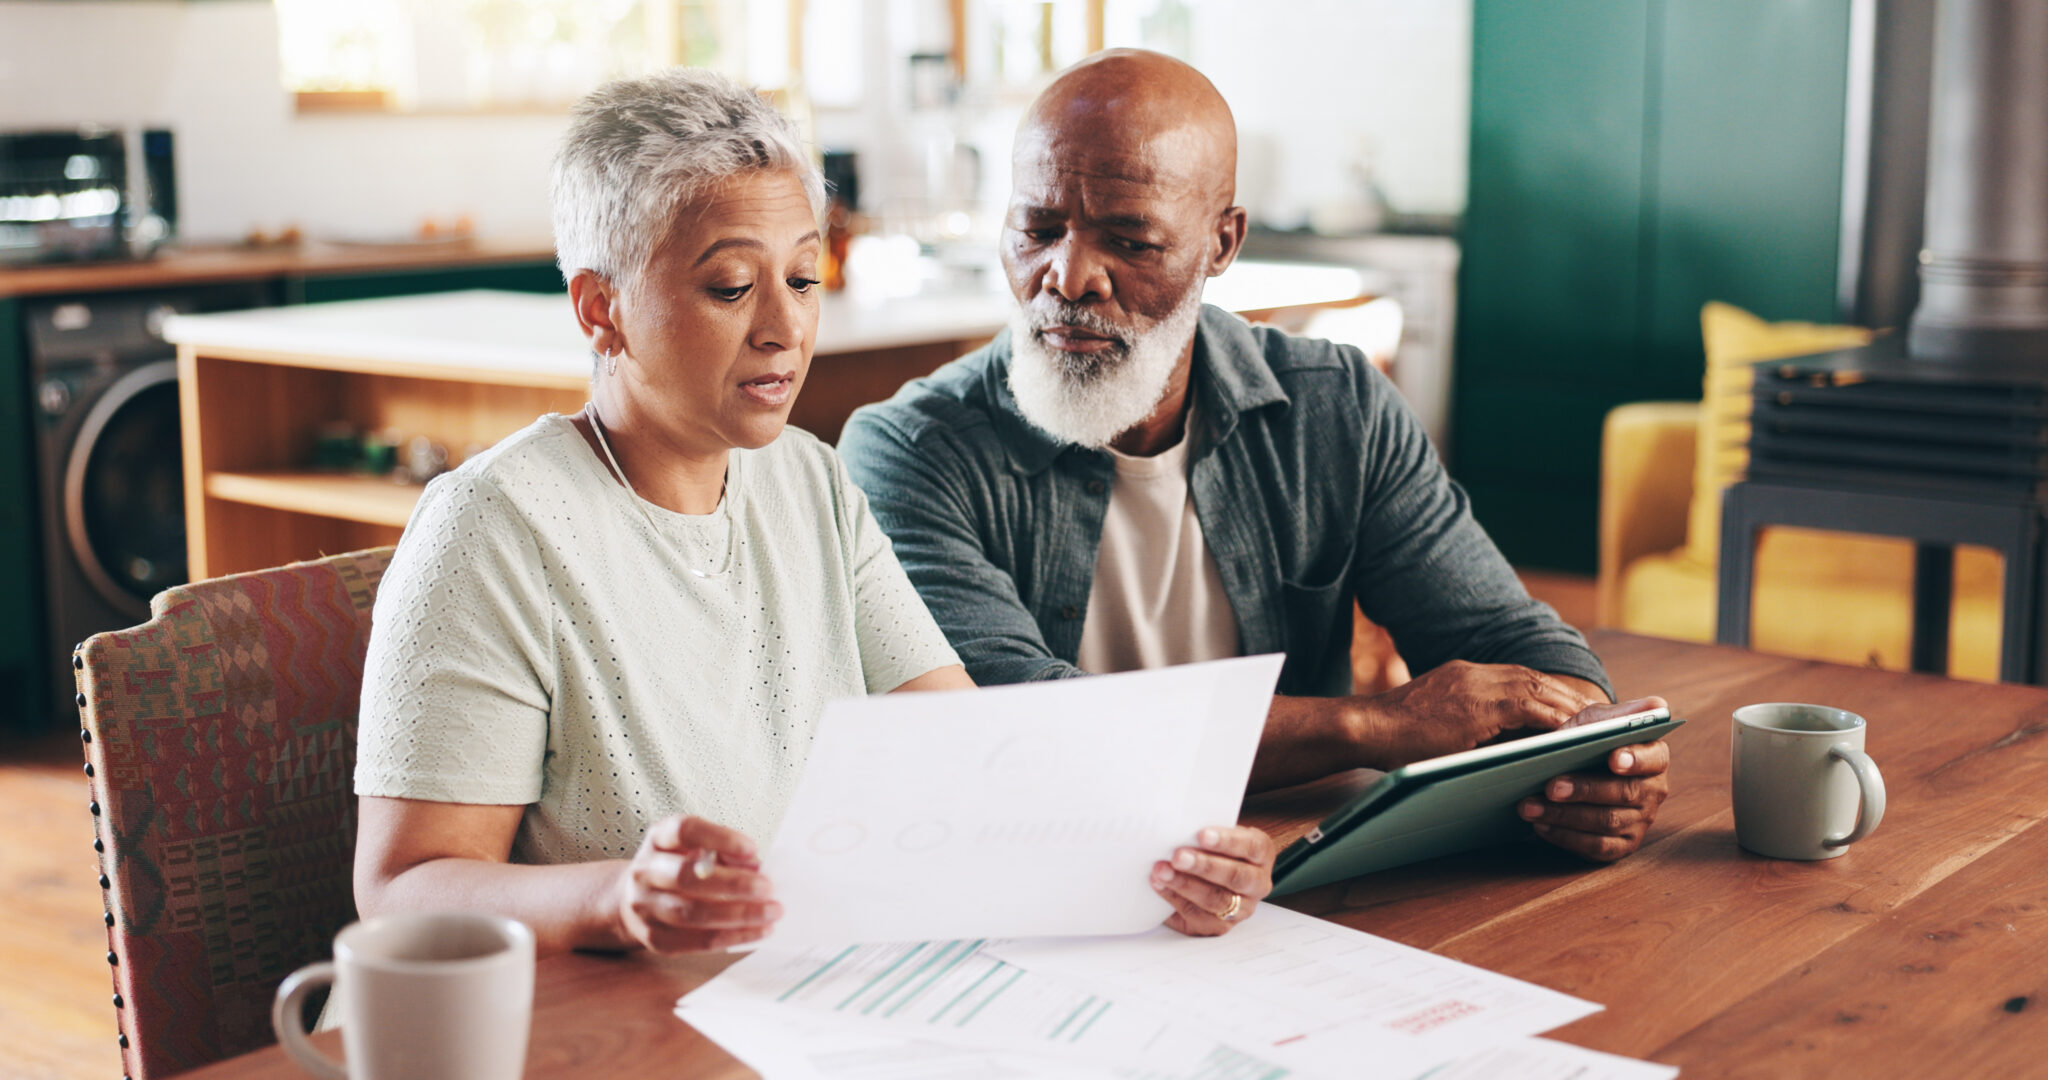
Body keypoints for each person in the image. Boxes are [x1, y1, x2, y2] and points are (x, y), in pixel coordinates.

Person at [350, 68, 1275, 956]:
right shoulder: (491, 529)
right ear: (602, 309)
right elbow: (402, 889)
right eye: (730, 287)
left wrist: (1163, 859)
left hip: (789, 993)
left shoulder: (809, 481)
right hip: (599, 1016)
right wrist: (616, 899)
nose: (785, 329)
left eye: (801, 279)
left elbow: (968, 756)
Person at [840, 50, 1671, 864]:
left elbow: (1500, 635)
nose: (1069, 275)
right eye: (1038, 229)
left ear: (1222, 243)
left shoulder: (1337, 405)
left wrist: (1597, 753)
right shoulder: (908, 451)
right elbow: (1012, 726)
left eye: (1129, 240)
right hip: (1033, 875)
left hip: (1289, 870)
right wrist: (1372, 726)